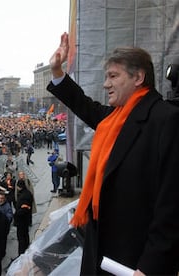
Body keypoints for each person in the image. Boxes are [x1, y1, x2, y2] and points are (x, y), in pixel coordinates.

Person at [47, 32, 179, 275]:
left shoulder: (166, 120)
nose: (105, 84)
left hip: (134, 262)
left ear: (138, 77)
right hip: (99, 255)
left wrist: (150, 266)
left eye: (113, 76)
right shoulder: (115, 118)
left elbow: (172, 204)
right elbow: (84, 105)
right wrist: (57, 72)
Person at [14, 180, 33, 255]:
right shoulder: (27, 193)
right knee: (25, 235)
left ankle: (22, 254)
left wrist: (15, 214)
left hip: (21, 220)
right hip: (26, 219)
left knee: (21, 237)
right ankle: (25, 250)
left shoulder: (23, 196)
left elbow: (23, 210)